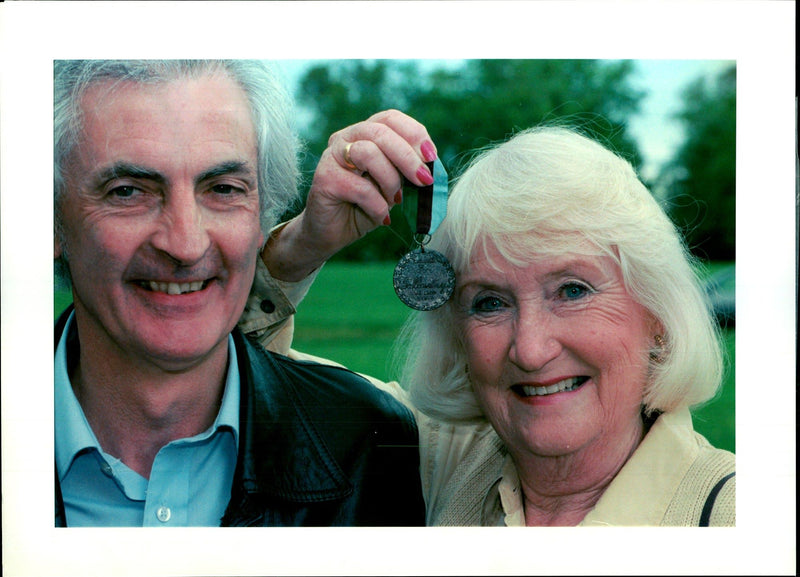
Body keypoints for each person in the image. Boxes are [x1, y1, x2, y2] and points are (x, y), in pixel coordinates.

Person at [252, 122, 736, 526]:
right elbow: (242, 389)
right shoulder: (433, 462)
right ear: (457, 337)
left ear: (657, 314)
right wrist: (301, 247)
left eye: (572, 291)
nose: (529, 349)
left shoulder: (747, 518)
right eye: (489, 303)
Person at [53, 59, 436, 526]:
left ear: (262, 216)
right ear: (50, 221)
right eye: (129, 192)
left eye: (223, 189)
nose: (186, 244)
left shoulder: (373, 444)